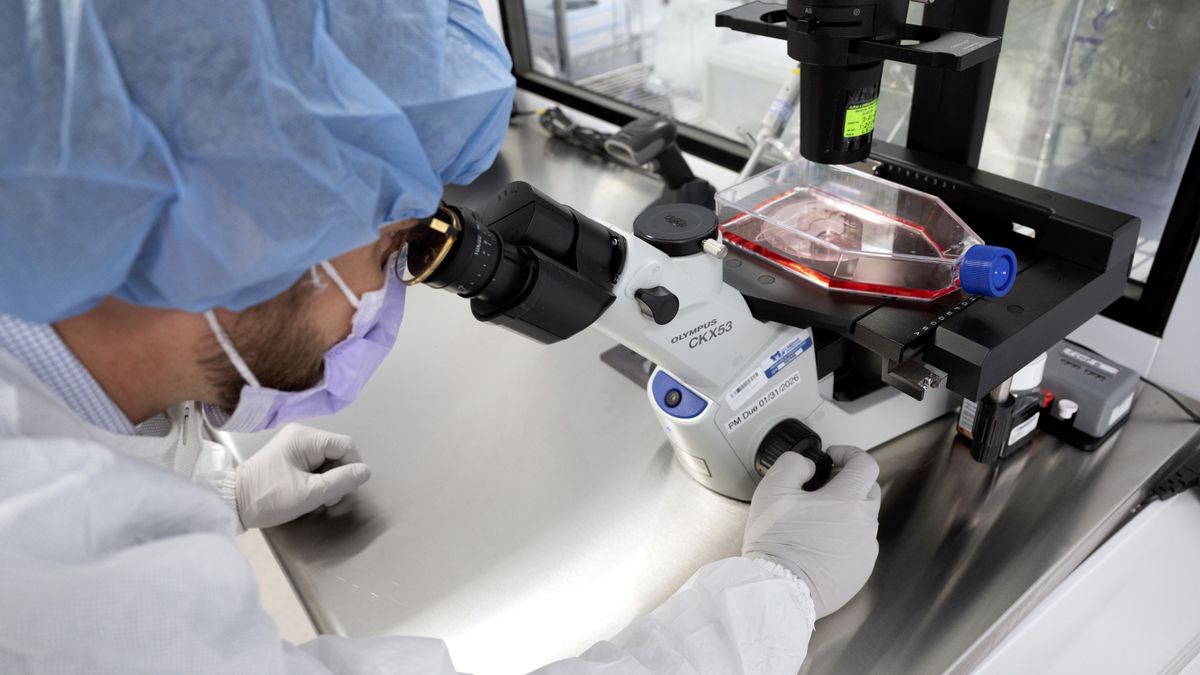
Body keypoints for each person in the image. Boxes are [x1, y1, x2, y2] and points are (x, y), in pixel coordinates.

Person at [0, 1, 882, 673]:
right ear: (240, 224)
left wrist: (218, 492)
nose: (396, 290)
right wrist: (776, 589)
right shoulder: (58, 575)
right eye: (391, 242)